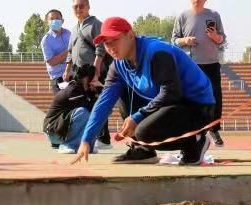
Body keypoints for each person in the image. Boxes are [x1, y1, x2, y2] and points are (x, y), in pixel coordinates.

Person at [71, 17, 215, 166]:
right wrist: (86, 140)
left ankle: (195, 141)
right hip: (169, 104)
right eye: (106, 43)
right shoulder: (118, 65)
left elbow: (171, 92)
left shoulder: (157, 52)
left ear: (130, 35)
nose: (111, 47)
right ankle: (143, 149)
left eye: (115, 40)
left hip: (196, 107)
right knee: (120, 91)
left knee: (143, 132)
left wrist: (137, 117)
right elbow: (104, 102)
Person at [171, 0, 227, 147]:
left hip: (211, 63)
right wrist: (184, 40)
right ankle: (191, 131)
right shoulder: (182, 16)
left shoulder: (214, 15)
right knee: (189, 97)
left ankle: (214, 129)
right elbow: (173, 40)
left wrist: (216, 37)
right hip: (191, 64)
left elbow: (222, 38)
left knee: (216, 97)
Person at [64, 0, 112, 150]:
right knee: (84, 105)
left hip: (94, 73)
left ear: (88, 7)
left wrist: (96, 72)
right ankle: (89, 137)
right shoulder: (74, 29)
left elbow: (100, 49)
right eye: (75, 7)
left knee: (98, 105)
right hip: (79, 75)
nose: (79, 9)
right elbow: (70, 52)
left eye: (81, 6)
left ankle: (103, 139)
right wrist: (67, 70)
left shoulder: (96, 24)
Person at [43, 64, 97, 154]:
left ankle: (87, 146)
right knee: (83, 112)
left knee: (98, 115)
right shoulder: (74, 90)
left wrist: (97, 91)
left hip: (61, 130)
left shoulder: (85, 91)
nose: (97, 79)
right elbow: (90, 109)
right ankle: (67, 145)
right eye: (95, 76)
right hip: (53, 133)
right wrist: (98, 91)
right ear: (86, 78)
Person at [40, 9, 71, 93]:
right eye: (52, 19)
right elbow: (52, 62)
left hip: (72, 75)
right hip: (59, 78)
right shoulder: (46, 40)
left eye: (57, 18)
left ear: (62, 20)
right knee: (64, 104)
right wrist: (69, 51)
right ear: (47, 22)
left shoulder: (69, 33)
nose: (55, 21)